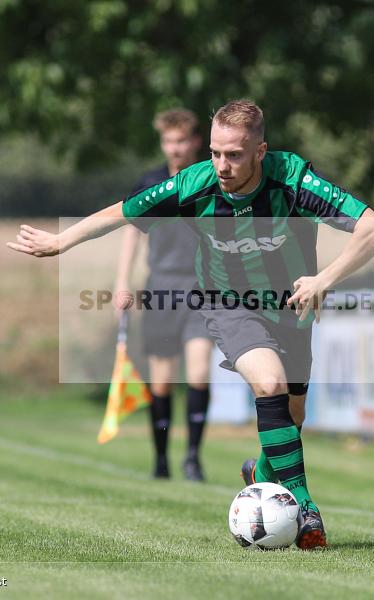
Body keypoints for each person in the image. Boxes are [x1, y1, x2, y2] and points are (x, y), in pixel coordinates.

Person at [7, 100, 374, 550]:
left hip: (290, 307)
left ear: (260, 151)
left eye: (233, 155)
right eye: (214, 152)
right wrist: (61, 240)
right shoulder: (195, 183)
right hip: (227, 302)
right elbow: (123, 212)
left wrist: (324, 279)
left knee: (293, 416)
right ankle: (304, 508)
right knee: (268, 384)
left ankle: (262, 473)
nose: (221, 166)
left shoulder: (292, 180)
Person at [113, 108, 214, 482]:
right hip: (161, 287)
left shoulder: (209, 180)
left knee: (200, 369)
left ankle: (192, 457)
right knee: (162, 379)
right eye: (169, 141)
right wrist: (122, 281)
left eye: (181, 141)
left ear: (195, 142)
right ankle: (160, 459)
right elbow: (131, 231)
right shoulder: (151, 182)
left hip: (204, 287)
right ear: (163, 143)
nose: (175, 148)